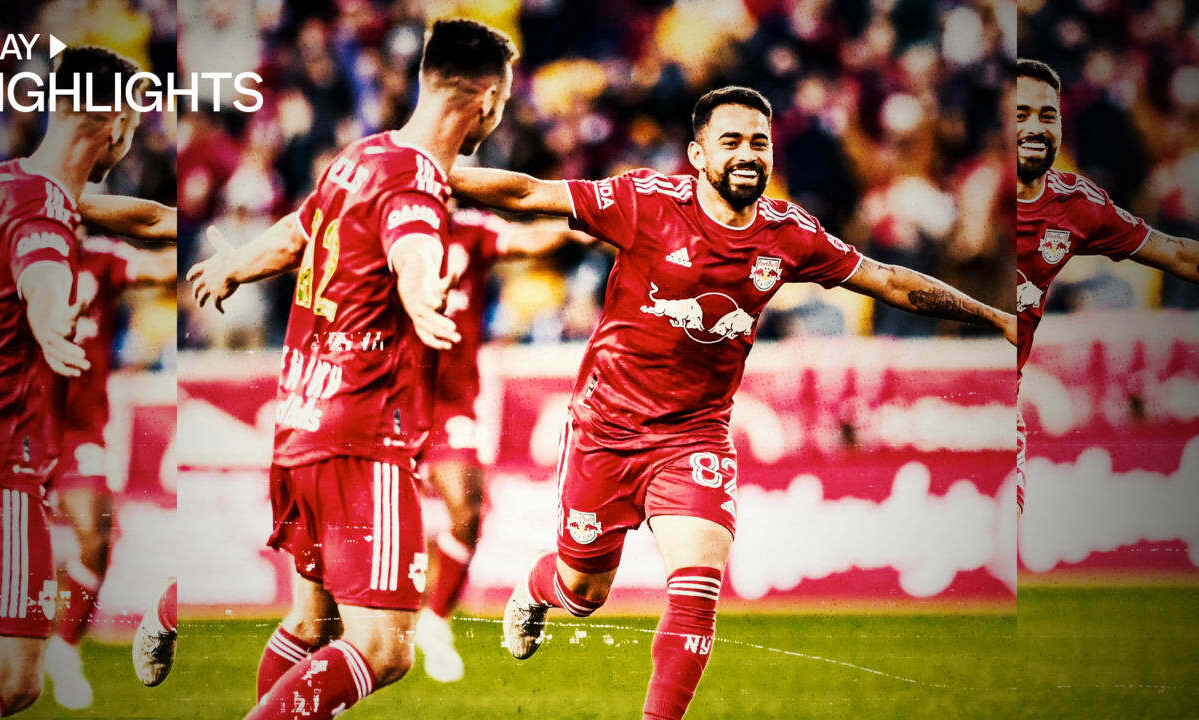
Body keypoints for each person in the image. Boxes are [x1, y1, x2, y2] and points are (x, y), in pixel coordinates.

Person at [450, 85, 1016, 720]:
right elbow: (530, 193)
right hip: (605, 429)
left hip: (694, 438)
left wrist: (994, 316)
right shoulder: (647, 202)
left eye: (759, 143)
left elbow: (886, 280)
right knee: (582, 590)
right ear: (696, 154)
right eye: (732, 142)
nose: (749, 155)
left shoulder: (788, 234)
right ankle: (536, 587)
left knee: (696, 588)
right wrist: (425, 175)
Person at [187, 18, 517, 719]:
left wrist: (233, 265)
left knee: (314, 626)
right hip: (362, 438)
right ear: (488, 100)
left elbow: (300, 231)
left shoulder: (359, 158)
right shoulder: (420, 181)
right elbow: (414, 241)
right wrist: (424, 290)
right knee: (385, 648)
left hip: (301, 422)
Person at [0, 46, 144, 717]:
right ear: (113, 121)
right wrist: (50, 323)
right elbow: (44, 274)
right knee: (13, 678)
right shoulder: (47, 208)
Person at [1015, 58, 1199, 513]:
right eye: (1021, 115)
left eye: (1048, 115)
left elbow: (1176, 253)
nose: (1036, 128)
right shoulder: (971, 198)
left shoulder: (1076, 204)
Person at [414, 208, 591, 682]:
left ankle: (434, 620)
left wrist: (590, 223)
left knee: (468, 511)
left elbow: (529, 240)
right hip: (387, 396)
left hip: (452, 403)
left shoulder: (470, 230)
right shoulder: (385, 225)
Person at [42, 234, 175, 709]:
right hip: (16, 418)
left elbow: (163, 268)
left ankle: (64, 650)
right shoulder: (16, 247)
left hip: (80, 430)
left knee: (98, 538)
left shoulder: (102, 257)